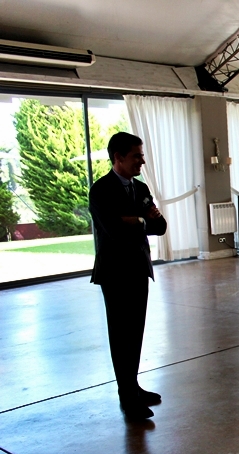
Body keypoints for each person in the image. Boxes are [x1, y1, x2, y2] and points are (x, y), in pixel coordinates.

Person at [89, 132, 167, 421]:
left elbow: (161, 227)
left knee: (135, 333)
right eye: (136, 156)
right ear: (118, 158)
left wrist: (138, 220)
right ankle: (126, 397)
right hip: (114, 272)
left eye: (142, 155)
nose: (142, 161)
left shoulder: (141, 187)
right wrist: (142, 219)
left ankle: (133, 386)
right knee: (121, 335)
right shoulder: (101, 191)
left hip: (138, 270)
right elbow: (114, 229)